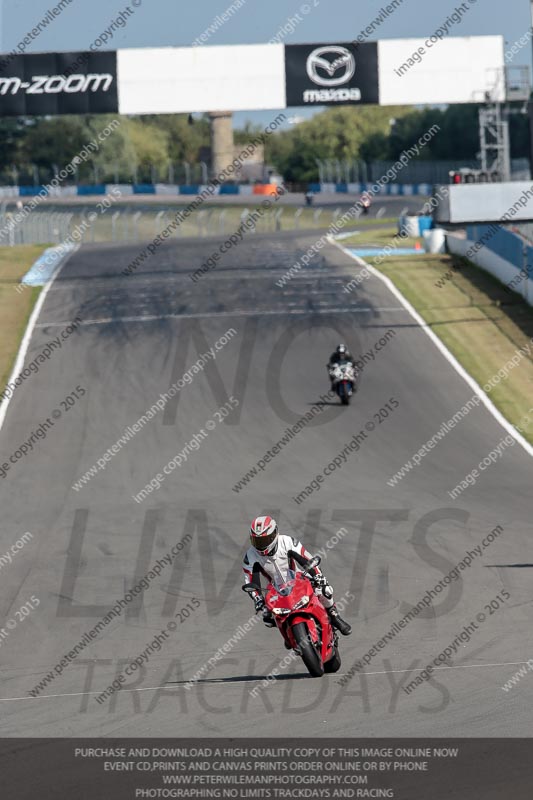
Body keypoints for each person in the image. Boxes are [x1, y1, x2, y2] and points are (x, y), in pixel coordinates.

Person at [242, 516, 352, 636]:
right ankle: (288, 635)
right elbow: (251, 582)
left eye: (264, 540)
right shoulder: (250, 556)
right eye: (257, 541)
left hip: (299, 578)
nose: (260, 545)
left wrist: (318, 576)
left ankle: (334, 616)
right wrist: (258, 599)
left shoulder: (287, 542)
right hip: (276, 589)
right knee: (266, 616)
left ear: (275, 534)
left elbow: (306, 559)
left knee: (324, 589)